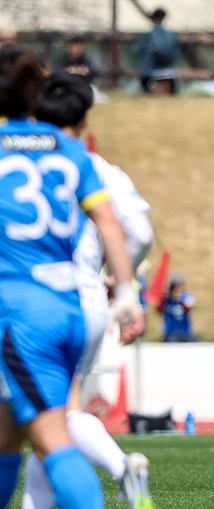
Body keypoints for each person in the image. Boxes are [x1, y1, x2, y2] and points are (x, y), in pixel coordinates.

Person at [0, 48, 143, 507]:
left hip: (19, 314)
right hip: (67, 307)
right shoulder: (70, 150)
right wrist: (126, 290)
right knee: (8, 436)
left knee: (53, 439)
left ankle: (115, 476)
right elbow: (110, 221)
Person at [133, 8, 180, 95]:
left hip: (150, 73)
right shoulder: (171, 35)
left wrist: (152, 53)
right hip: (169, 72)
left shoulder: (148, 35)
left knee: (148, 96)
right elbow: (175, 53)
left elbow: (140, 50)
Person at [160, 273, 196, 343]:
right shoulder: (166, 300)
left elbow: (190, 306)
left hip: (185, 332)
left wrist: (179, 298)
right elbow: (158, 310)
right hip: (170, 333)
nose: (177, 288)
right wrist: (165, 295)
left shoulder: (186, 297)